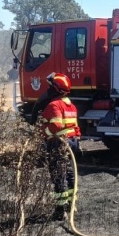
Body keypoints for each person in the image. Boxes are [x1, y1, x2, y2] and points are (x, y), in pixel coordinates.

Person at [39, 72, 81, 221]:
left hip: (59, 143)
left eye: (50, 86)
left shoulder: (54, 105)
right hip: (71, 142)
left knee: (58, 175)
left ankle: (59, 210)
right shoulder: (71, 105)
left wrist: (44, 131)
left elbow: (56, 125)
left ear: (56, 89)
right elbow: (75, 127)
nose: (48, 89)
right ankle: (71, 205)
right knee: (69, 174)